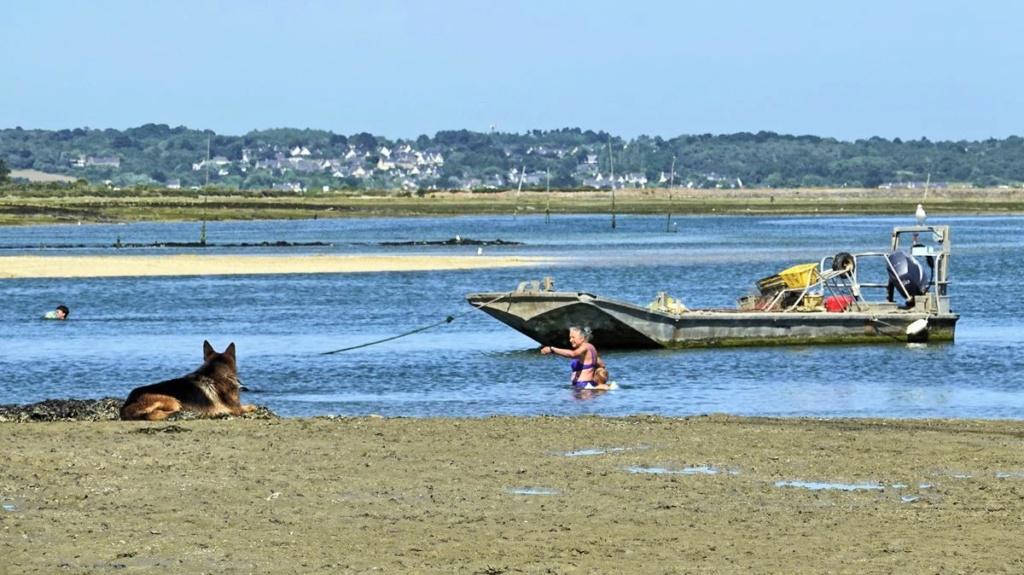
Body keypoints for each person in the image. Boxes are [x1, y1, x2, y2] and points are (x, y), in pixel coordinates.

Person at [540, 325, 609, 390]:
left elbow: (573, 354)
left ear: (582, 338)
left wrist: (552, 349)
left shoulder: (586, 347)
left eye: (573, 337)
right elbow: (602, 365)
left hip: (583, 386)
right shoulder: (590, 349)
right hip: (584, 385)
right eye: (570, 337)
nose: (570, 340)